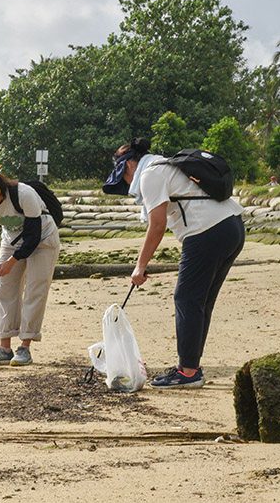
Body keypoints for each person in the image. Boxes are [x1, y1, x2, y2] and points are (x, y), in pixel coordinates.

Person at [103, 137, 244, 388]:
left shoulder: (150, 174)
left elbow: (157, 225)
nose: (125, 185)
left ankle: (188, 372)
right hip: (232, 226)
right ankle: (190, 366)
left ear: (128, 167)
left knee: (187, 298)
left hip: (207, 231)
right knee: (199, 301)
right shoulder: (165, 165)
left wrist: (140, 266)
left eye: (121, 177)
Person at [0, 170, 61, 367]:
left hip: (43, 239)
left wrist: (13, 260)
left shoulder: (24, 194)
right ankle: (4, 348)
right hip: (11, 239)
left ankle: (25, 347)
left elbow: (33, 235)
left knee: (35, 289)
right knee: (5, 288)